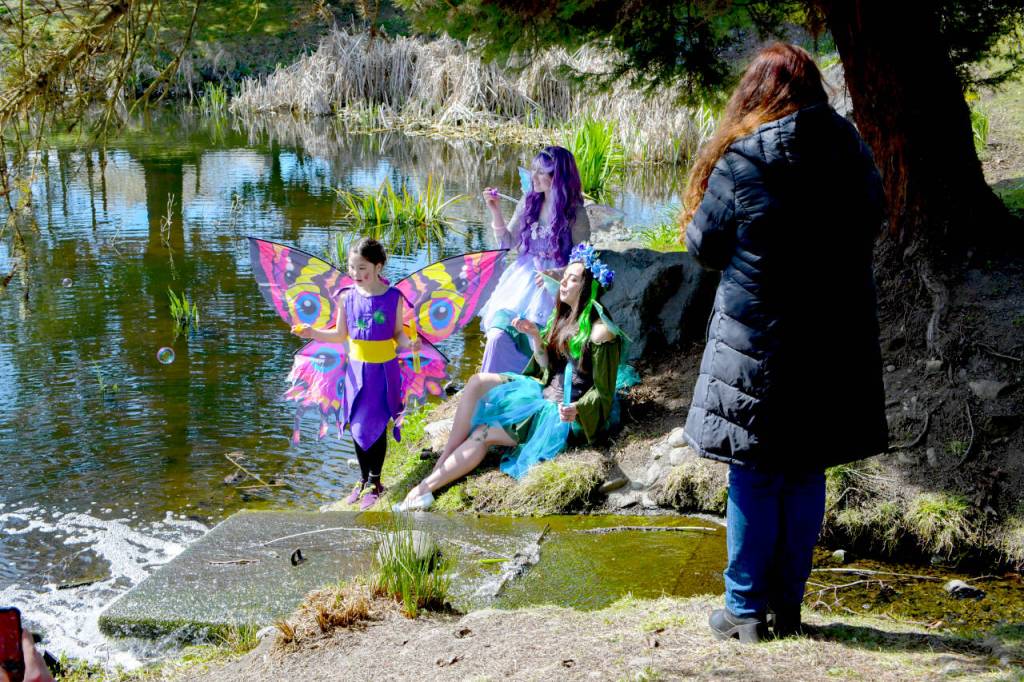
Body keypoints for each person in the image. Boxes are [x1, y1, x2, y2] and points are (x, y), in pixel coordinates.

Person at [680, 43, 887, 642]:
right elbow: (874, 217)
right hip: (832, 339)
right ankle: (789, 608)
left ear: (756, 95)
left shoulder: (743, 160)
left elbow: (705, 247)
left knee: (752, 467)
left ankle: (743, 612)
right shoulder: (850, 148)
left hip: (757, 342)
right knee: (803, 469)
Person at [396, 243, 620, 511]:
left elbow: (604, 392)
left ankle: (425, 489)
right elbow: (548, 367)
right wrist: (535, 338)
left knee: (482, 433)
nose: (563, 283)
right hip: (543, 392)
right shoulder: (561, 317)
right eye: (564, 277)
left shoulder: (600, 333)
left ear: (586, 288)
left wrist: (578, 409)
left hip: (561, 414)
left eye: (572, 280)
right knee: (477, 381)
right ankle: (442, 463)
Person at [292, 238, 420, 510]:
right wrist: (311, 331)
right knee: (356, 425)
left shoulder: (393, 297)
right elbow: (339, 334)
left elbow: (398, 333)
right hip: (355, 371)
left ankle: (376, 482)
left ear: (378, 266)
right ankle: (362, 480)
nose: (356, 274)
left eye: (362, 268)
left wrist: (411, 344)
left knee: (376, 424)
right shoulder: (346, 297)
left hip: (384, 371)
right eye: (352, 267)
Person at [479, 145, 591, 374]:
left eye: (541, 172)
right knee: (498, 335)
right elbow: (507, 243)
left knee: (535, 343)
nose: (534, 177)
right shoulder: (529, 203)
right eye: (534, 170)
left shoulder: (576, 214)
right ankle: (491, 393)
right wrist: (495, 210)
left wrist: (559, 273)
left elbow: (583, 260)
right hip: (520, 284)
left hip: (551, 289)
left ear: (557, 176)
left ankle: (530, 386)